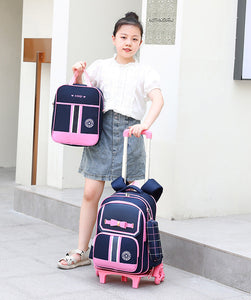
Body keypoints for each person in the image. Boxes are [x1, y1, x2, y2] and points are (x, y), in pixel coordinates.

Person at [58, 12, 164, 269]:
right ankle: (82, 250)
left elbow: (158, 99)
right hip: (101, 133)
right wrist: (79, 73)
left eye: (135, 38)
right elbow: (83, 92)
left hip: (131, 135)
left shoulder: (144, 71)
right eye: (124, 37)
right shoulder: (101, 66)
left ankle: (125, 252)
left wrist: (144, 125)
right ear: (114, 39)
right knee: (89, 193)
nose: (128, 42)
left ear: (140, 43)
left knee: (127, 199)